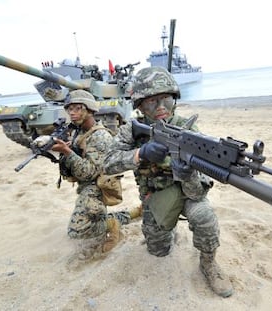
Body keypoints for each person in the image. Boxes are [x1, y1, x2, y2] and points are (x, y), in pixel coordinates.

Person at [103, 66, 233, 297]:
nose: (161, 108)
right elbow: (108, 164)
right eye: (152, 102)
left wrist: (187, 174)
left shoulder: (188, 129)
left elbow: (198, 193)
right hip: (156, 198)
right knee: (158, 250)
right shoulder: (132, 130)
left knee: (204, 216)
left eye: (167, 100)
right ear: (140, 105)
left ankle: (209, 263)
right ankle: (167, 230)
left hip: (187, 193)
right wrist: (140, 154)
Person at [36, 89, 141, 259]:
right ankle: (130, 214)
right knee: (90, 219)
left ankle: (112, 223)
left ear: (90, 110)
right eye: (70, 109)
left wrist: (66, 151)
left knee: (77, 231)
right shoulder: (80, 131)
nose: (72, 113)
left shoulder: (100, 136)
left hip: (98, 186)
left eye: (78, 108)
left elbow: (90, 173)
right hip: (88, 185)